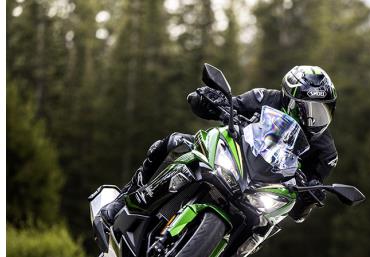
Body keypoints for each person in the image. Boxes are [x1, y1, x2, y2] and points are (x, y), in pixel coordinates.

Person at [101, 65, 338, 224]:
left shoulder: (326, 152)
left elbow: (300, 208)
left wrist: (312, 194)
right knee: (174, 142)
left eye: (322, 111)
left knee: (266, 225)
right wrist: (212, 100)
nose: (314, 118)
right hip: (236, 159)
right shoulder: (264, 98)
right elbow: (232, 104)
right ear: (289, 99)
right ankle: (125, 198)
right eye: (309, 109)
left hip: (265, 190)